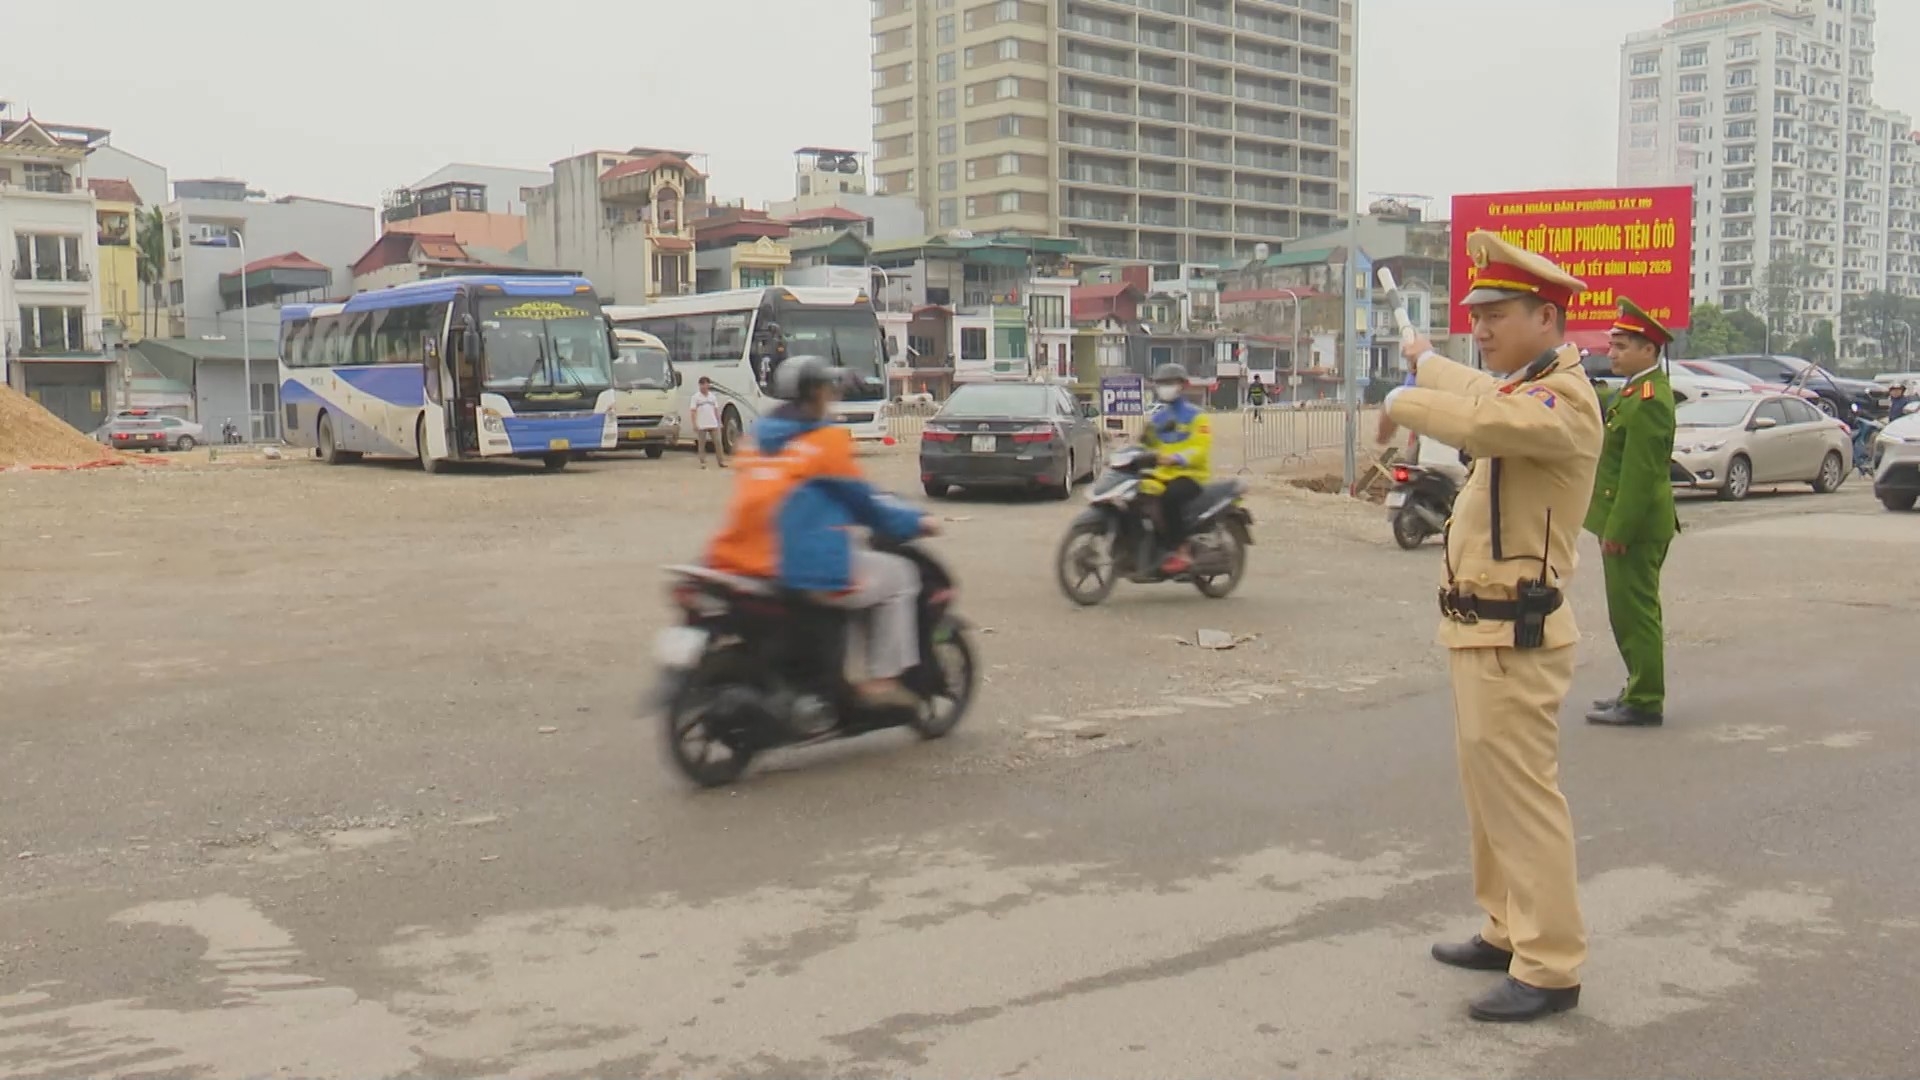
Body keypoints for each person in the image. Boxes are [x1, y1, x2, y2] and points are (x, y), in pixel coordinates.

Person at [1377, 230, 1604, 1023]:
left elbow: (1483, 421)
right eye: (1475, 318)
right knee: (1489, 799)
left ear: (1547, 317)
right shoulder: (1526, 384)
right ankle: (1508, 926)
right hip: (1483, 633)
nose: (1482, 329)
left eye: (1496, 316)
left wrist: (1404, 398)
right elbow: (1479, 392)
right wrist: (1425, 360)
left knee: (1523, 800)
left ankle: (1550, 965)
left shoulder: (1564, 402)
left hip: (1517, 635)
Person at [704, 357, 937, 710]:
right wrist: (916, 521)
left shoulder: (754, 439)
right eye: (828, 390)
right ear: (814, 393)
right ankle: (883, 680)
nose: (832, 396)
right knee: (901, 576)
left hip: (741, 558)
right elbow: (865, 504)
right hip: (803, 569)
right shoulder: (826, 442)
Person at [1585, 299, 1679, 729]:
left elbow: (1640, 475)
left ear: (1648, 349)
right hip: (1630, 524)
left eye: (1622, 346)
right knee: (1626, 612)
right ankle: (1637, 686)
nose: (1613, 353)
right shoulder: (1633, 391)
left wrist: (1617, 529)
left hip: (1637, 528)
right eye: (1613, 345)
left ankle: (1644, 699)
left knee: (1635, 613)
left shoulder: (1649, 400)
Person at [1138, 363, 1212, 574]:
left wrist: (1177, 458)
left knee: (1168, 499)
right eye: (1161, 383)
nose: (1165, 387)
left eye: (1170, 383)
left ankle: (1182, 551)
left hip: (1191, 476)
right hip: (1161, 475)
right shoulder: (1159, 418)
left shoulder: (1197, 417)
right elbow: (1146, 444)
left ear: (1183, 386)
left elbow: (1201, 448)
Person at [690, 376, 725, 468]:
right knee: (702, 444)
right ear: (700, 385)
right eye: (702, 385)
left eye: (706, 385)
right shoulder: (695, 397)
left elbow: (716, 410)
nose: (704, 387)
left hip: (713, 423)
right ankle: (703, 462)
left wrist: (719, 422)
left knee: (718, 442)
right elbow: (693, 411)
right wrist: (694, 424)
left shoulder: (712, 397)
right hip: (701, 424)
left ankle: (721, 461)